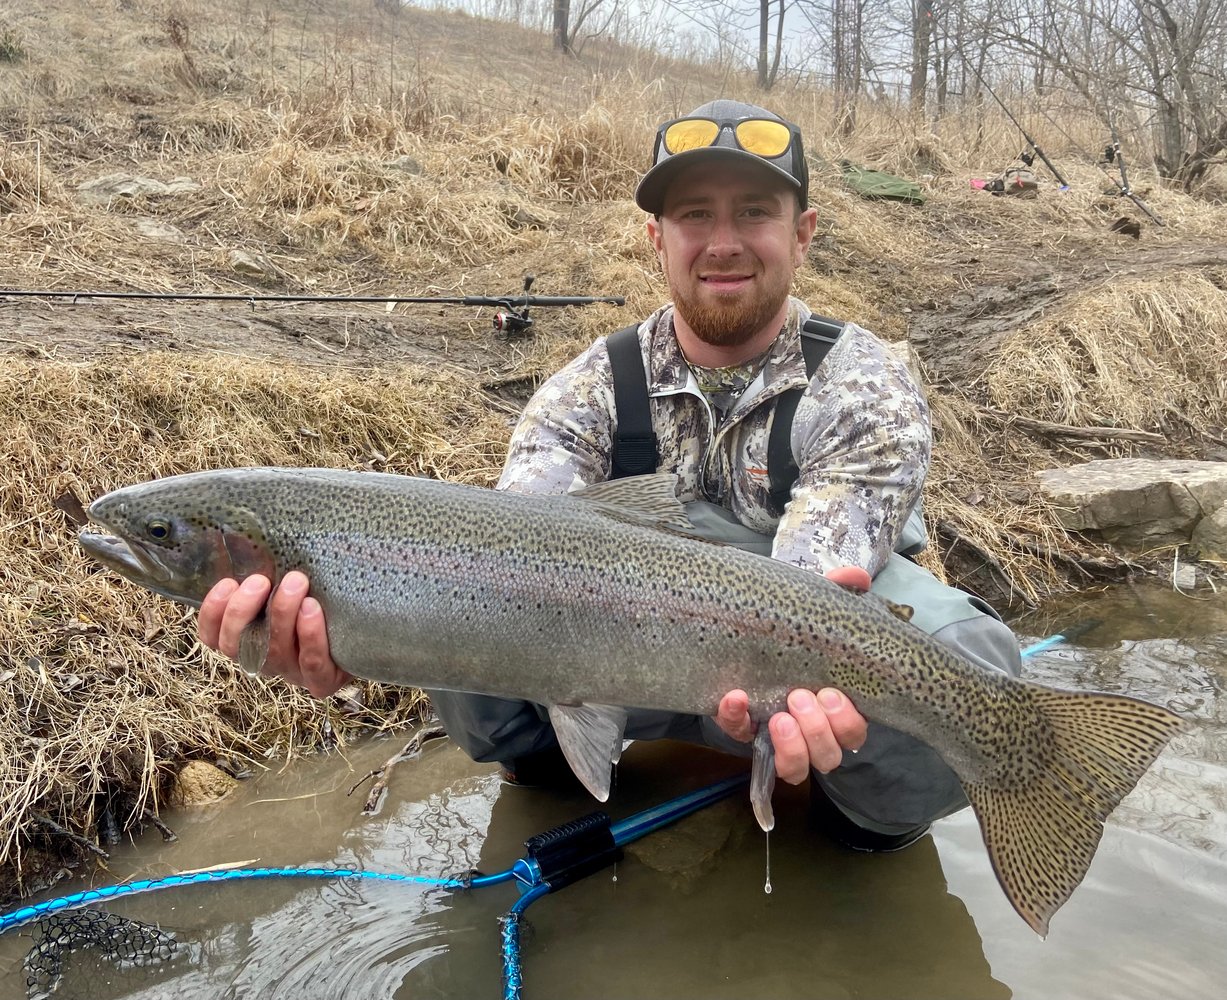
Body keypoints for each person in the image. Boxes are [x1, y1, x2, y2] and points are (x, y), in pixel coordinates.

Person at [199, 99, 1020, 851]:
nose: (723, 241)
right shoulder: (586, 390)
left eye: (754, 213)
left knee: (969, 659)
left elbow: (809, 588)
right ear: (655, 238)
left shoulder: (863, 383)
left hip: (809, 665)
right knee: (462, 616)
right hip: (617, 660)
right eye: (694, 215)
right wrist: (355, 641)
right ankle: (560, 777)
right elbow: (507, 557)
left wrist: (792, 690)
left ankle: (872, 811)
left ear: (802, 234)